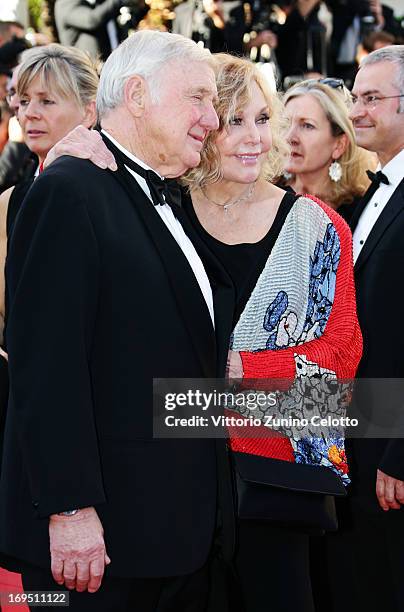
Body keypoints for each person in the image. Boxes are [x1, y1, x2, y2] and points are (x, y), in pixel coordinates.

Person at [57, 51, 362, 612]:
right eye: (232, 120)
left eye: (263, 119)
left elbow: (341, 364)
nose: (252, 137)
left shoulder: (317, 227)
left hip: (275, 484)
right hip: (170, 487)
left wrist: (240, 372)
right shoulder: (160, 212)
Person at [0, 31, 235, 612]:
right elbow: (46, 366)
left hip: (166, 531)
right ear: (136, 95)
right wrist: (70, 508)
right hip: (94, 547)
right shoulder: (70, 190)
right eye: (199, 98)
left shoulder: (159, 194)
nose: (212, 116)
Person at [320, 44, 404, 612]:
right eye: (355, 97)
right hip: (355, 431)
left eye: (372, 98)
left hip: (388, 447)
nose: (358, 110)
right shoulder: (372, 195)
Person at [281, 78, 372, 220]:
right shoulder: (263, 193)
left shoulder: (361, 212)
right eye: (285, 123)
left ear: (339, 145)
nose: (290, 137)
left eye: (307, 126)